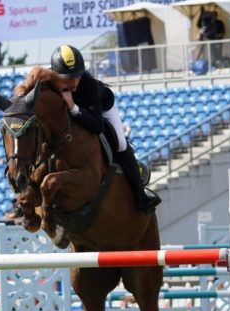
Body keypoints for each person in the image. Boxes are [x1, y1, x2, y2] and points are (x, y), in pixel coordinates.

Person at [49, 44, 160, 211]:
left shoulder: (89, 85)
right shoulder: (49, 83)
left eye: (76, 76)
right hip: (76, 112)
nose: (73, 82)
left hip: (103, 109)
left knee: (121, 144)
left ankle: (141, 195)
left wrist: (73, 108)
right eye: (67, 77)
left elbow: (96, 126)